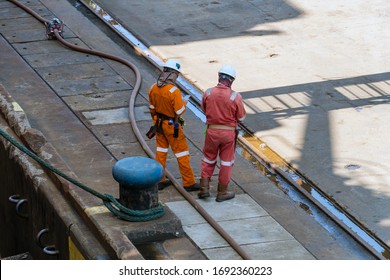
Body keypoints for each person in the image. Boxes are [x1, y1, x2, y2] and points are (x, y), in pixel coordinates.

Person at [148, 59, 200, 192]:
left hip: (159, 123)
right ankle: (189, 182)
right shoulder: (174, 91)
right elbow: (179, 111)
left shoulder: (153, 87)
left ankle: (159, 180)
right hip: (172, 126)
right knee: (182, 153)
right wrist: (184, 103)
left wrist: (157, 120)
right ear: (174, 75)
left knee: (161, 152)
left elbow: (152, 108)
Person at [198, 65, 246, 202]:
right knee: (226, 162)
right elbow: (241, 118)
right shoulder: (235, 96)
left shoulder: (208, 92)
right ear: (231, 80)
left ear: (219, 77)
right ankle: (222, 192)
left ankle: (204, 188)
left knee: (208, 158)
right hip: (228, 133)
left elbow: (204, 109)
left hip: (211, 130)